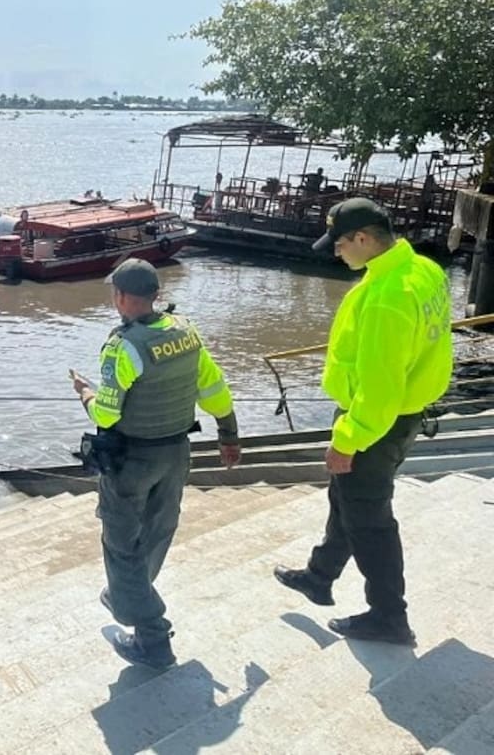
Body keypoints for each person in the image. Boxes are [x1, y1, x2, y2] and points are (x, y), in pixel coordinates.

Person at [274, 198, 452, 646]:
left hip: (376, 421)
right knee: (347, 500)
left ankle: (389, 617)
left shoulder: (387, 299)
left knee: (371, 521)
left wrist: (348, 439)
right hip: (404, 413)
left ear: (363, 238)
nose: (336, 253)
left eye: (340, 244)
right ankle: (320, 575)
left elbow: (380, 387)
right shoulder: (423, 270)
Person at [72, 258, 241, 670]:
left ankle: (152, 637)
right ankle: (128, 594)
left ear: (121, 298)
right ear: (157, 295)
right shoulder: (186, 334)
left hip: (132, 461)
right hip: (177, 454)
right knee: (158, 531)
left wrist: (85, 394)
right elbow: (214, 388)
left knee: (121, 544)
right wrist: (229, 434)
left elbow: (107, 414)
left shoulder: (123, 346)